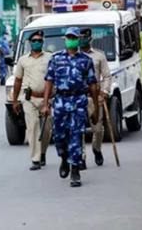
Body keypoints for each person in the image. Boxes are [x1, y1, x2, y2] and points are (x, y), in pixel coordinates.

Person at [41, 27, 98, 187]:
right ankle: (64, 158)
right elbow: (48, 81)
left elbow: (93, 85)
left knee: (76, 135)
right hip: (60, 101)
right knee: (59, 136)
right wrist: (45, 104)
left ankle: (75, 170)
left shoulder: (86, 60)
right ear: (65, 39)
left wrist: (96, 109)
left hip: (79, 100)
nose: (71, 39)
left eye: (74, 37)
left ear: (79, 39)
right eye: (69, 37)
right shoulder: (56, 58)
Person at [12, 30, 52, 171]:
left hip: (46, 99)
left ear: (43, 42)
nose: (36, 43)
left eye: (39, 40)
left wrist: (50, 100)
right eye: (34, 40)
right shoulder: (23, 60)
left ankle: (42, 152)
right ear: (30, 43)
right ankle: (35, 158)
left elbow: (53, 79)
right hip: (29, 99)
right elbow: (17, 80)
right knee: (33, 126)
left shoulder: (50, 58)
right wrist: (15, 100)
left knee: (47, 130)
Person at [80, 28, 111, 168]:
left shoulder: (99, 56)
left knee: (98, 129)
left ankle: (96, 149)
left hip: (95, 97)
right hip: (78, 97)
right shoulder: (72, 56)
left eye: (84, 37)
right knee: (78, 129)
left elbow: (107, 76)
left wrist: (104, 91)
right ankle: (81, 156)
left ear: (90, 38)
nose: (81, 40)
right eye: (79, 37)